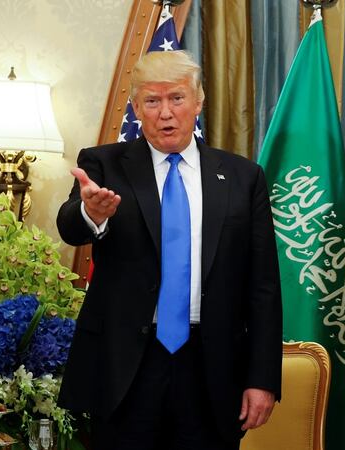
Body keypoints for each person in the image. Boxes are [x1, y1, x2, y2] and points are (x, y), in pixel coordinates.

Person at [55, 50, 282, 450]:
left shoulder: (244, 177)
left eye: (176, 98)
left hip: (212, 367)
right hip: (127, 367)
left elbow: (262, 286)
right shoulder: (104, 164)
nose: (165, 113)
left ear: (198, 102)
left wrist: (262, 378)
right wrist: (92, 213)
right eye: (152, 101)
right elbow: (70, 227)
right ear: (137, 108)